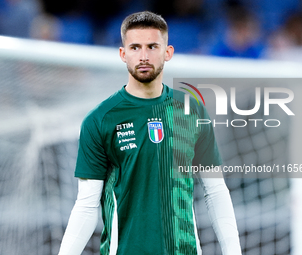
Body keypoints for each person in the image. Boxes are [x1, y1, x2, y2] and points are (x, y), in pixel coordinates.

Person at [58, 11, 241, 255]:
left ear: (168, 52)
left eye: (152, 46)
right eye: (135, 47)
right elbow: (87, 205)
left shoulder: (191, 110)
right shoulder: (99, 119)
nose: (143, 56)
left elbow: (216, 192)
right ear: (123, 54)